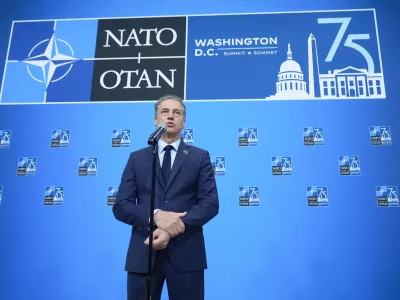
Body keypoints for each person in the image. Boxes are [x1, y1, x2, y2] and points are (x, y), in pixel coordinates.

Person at [112, 94, 219, 300]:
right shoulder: (137, 158)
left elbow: (210, 204)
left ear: (184, 121)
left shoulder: (200, 157)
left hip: (186, 254)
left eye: (176, 113)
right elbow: (121, 205)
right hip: (144, 253)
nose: (170, 117)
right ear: (155, 119)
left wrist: (173, 227)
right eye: (164, 112)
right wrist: (155, 216)